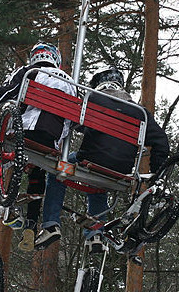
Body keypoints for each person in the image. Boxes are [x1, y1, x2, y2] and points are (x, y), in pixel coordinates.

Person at [34, 66, 170, 252]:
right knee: (99, 184)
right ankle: (96, 234)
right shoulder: (141, 113)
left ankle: (51, 224)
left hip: (89, 160)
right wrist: (155, 173)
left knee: (58, 171)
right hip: (120, 170)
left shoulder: (92, 99)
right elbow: (161, 141)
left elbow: (69, 120)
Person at [0, 42, 76, 250]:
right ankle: (32, 223)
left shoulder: (30, 73)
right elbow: (74, 123)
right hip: (51, 142)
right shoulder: (73, 84)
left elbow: (6, 92)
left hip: (24, 132)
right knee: (38, 171)